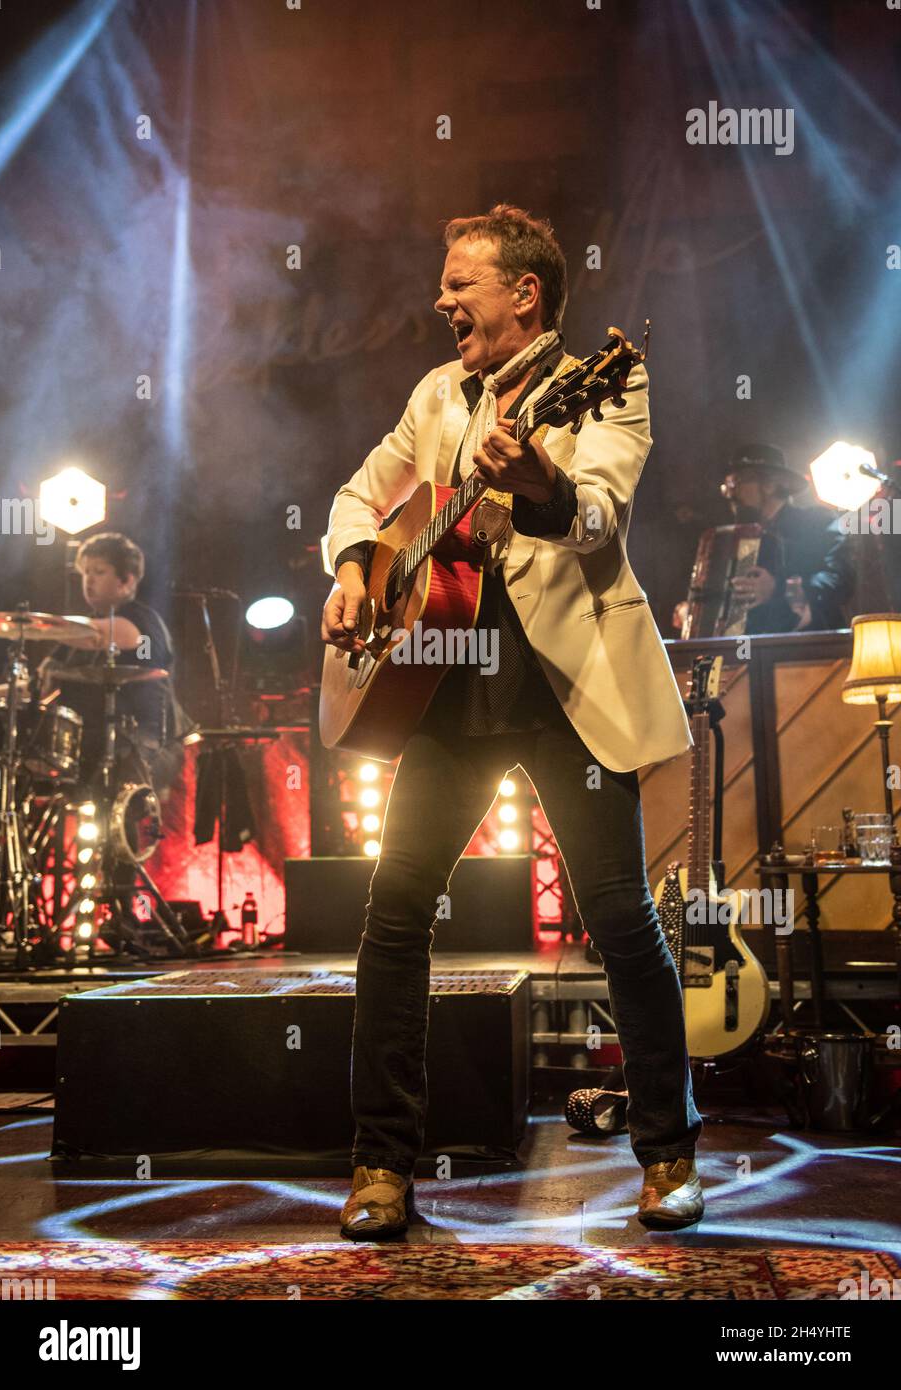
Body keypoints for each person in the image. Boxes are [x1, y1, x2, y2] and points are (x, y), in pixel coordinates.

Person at [322, 204, 703, 1238]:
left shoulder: (608, 387)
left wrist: (537, 478)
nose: (441, 300)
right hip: (448, 684)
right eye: (443, 285)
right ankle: (382, 1167)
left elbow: (597, 516)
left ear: (524, 293)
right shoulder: (438, 396)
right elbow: (362, 494)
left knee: (621, 921)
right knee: (394, 917)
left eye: (460, 284)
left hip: (564, 694)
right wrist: (360, 568)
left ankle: (667, 1154)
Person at [38, 532, 180, 795]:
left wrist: (37, 627)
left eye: (99, 572)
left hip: (143, 744)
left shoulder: (142, 620)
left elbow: (102, 635)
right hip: (89, 741)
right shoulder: (74, 634)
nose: (88, 580)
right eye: (85, 572)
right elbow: (39, 688)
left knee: (110, 790)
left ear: (126, 581)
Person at [674, 445, 853, 635]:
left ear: (769, 485)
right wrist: (694, 610)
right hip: (749, 654)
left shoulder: (818, 522)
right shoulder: (733, 539)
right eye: (727, 485)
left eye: (737, 482)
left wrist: (779, 588)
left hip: (811, 651)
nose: (730, 494)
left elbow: (839, 579)